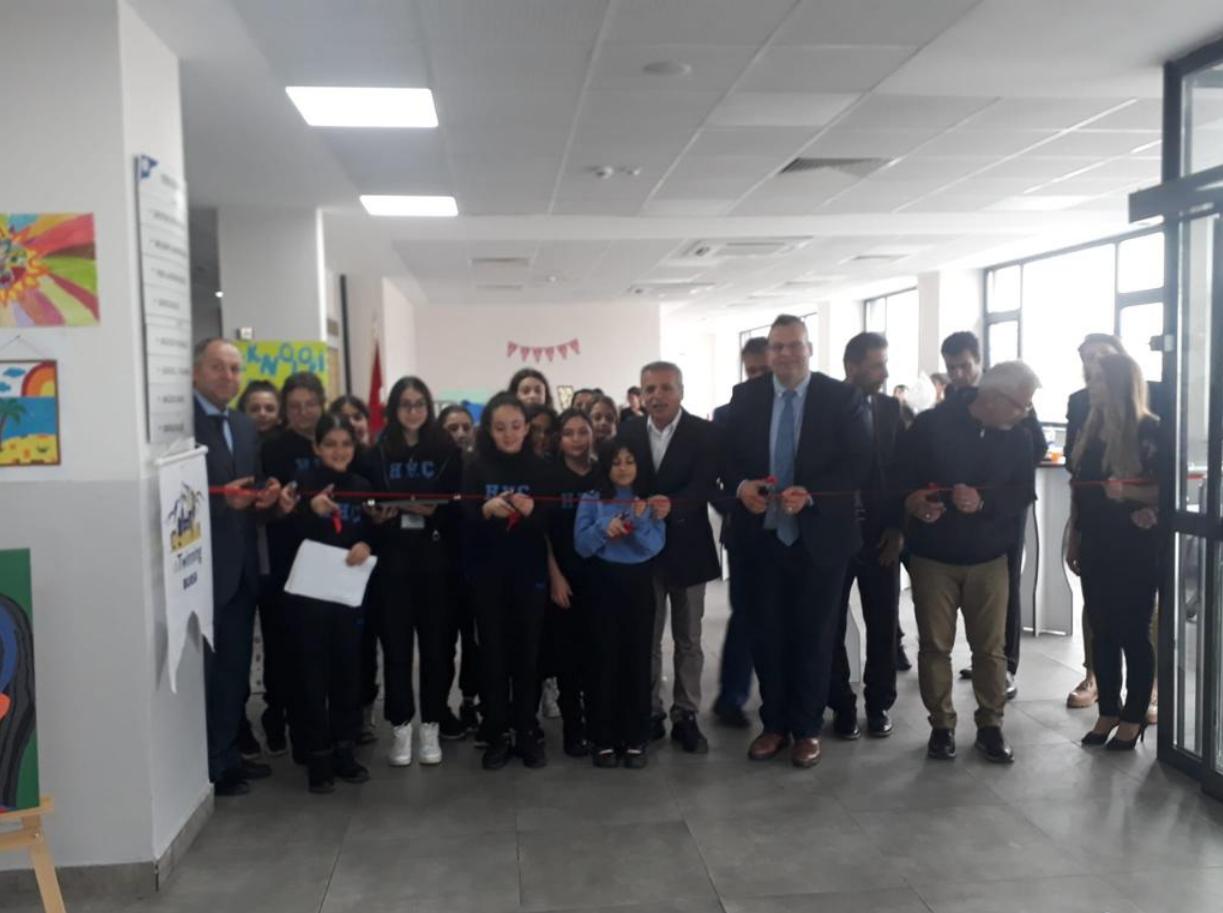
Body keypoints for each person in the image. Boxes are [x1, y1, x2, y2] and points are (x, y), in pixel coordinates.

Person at [723, 315, 871, 768]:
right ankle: (774, 725)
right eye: (777, 346)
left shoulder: (840, 398)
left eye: (793, 345)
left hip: (819, 539)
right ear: (768, 353)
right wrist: (742, 486)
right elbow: (725, 460)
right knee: (766, 636)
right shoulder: (745, 397)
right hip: (761, 539)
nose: (785, 354)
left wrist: (813, 495)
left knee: (815, 636)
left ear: (809, 349)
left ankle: (807, 729)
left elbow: (859, 464)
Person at [898, 361, 1040, 764]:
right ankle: (941, 727)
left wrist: (984, 502)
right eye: (1021, 405)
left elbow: (1023, 493)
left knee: (991, 649)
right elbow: (898, 477)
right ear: (992, 398)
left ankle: (991, 725)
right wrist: (913, 502)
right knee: (934, 646)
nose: (1025, 413)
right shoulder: (931, 425)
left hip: (990, 557)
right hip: (932, 556)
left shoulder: (1019, 437)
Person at [193, 339, 281, 796]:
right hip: (202, 570)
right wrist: (222, 502)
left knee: (234, 670)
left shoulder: (244, 426)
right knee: (208, 675)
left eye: (234, 368)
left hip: (243, 566)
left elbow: (253, 483)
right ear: (196, 372)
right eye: (217, 367)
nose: (228, 376)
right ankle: (209, 764)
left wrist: (268, 497)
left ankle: (228, 757)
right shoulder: (179, 424)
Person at [941, 331, 1047, 699]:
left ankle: (1005, 665)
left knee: (1004, 585)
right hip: (962, 513)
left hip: (1004, 511)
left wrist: (998, 479)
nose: (958, 374)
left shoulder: (1011, 395)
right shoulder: (953, 401)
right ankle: (984, 658)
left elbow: (1036, 447)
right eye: (951, 368)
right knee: (972, 591)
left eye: (964, 366)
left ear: (979, 362)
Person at [366, 377, 465, 767]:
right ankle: (401, 726)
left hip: (435, 563)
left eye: (419, 404)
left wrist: (430, 509)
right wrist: (379, 513)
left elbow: (456, 504)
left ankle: (432, 726)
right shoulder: (377, 450)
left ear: (429, 407)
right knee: (396, 650)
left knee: (437, 650)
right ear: (394, 408)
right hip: (392, 562)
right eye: (405, 404)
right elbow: (368, 499)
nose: (412, 411)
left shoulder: (446, 450)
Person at [275, 414, 377, 793]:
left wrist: (366, 544)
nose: (339, 451)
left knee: (347, 673)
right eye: (330, 444)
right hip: (308, 598)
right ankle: (317, 755)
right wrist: (307, 512)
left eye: (346, 444)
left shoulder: (362, 486)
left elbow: (372, 531)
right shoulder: (301, 485)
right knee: (311, 677)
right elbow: (284, 536)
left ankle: (345, 750)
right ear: (316, 447)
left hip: (347, 596)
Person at [1064, 334, 1163, 719]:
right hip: (1095, 541)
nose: (1092, 385)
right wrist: (1075, 538)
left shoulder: (1150, 429)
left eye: (1100, 379)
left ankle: (1134, 715)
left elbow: (1168, 491)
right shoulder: (1089, 431)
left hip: (1134, 545)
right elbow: (1078, 488)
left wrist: (1132, 495)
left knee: (1134, 632)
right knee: (1101, 630)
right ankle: (1108, 711)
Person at [620, 361, 714, 753]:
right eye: (649, 389)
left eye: (665, 388)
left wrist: (674, 505)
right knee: (647, 635)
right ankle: (650, 711)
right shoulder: (628, 432)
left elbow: (707, 483)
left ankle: (686, 714)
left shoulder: (703, 432)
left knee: (688, 637)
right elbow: (619, 481)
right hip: (642, 549)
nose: (657, 396)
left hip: (689, 547)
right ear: (641, 394)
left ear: (681, 391)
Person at [462, 392, 552, 769]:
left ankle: (526, 730)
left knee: (528, 656)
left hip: (529, 574)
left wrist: (533, 511)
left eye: (516, 426)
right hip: (487, 575)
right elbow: (462, 519)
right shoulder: (475, 466)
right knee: (493, 655)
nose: (509, 434)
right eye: (500, 428)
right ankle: (497, 731)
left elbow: (553, 523)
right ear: (489, 430)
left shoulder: (541, 467)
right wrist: (484, 510)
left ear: (527, 428)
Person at [828, 333, 904, 740]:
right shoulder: (824, 407)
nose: (884, 373)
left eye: (884, 363)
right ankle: (841, 704)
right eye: (877, 365)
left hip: (881, 535)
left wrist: (898, 528)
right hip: (834, 535)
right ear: (851, 366)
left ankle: (879, 704)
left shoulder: (891, 409)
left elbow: (902, 471)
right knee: (830, 623)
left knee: (883, 622)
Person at [575, 438, 667, 769]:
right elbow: (581, 545)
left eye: (630, 461)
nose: (623, 468)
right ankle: (602, 738)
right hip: (602, 585)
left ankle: (636, 737)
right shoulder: (592, 498)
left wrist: (639, 521)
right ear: (606, 466)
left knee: (637, 659)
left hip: (638, 586)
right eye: (616, 462)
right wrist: (604, 528)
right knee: (603, 659)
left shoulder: (649, 501)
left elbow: (654, 546)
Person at [259, 371, 326, 759]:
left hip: (329, 557)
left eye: (310, 404)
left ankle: (317, 729)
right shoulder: (273, 449)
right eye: (296, 406)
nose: (304, 412)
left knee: (318, 650)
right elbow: (264, 507)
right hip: (285, 558)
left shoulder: (334, 440)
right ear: (286, 410)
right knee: (283, 648)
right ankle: (279, 718)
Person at [710, 335, 769, 728]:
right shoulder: (726, 415)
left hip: (795, 530)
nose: (758, 378)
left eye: (764, 371)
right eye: (752, 371)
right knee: (746, 614)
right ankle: (732, 697)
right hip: (745, 533)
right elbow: (713, 478)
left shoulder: (802, 413)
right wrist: (736, 504)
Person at [545, 409, 598, 756]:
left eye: (583, 431)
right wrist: (555, 576)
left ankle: (597, 723)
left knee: (596, 654)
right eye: (569, 433)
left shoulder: (603, 474)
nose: (577, 439)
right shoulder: (549, 476)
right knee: (567, 658)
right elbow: (543, 534)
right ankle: (573, 728)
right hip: (563, 576)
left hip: (599, 577)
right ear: (559, 439)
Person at [235, 378, 282, 759]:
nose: (263, 414)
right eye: (255, 408)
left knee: (279, 646)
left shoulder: (284, 449)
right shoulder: (235, 448)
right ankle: (238, 725)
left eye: (269, 408)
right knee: (237, 649)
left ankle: (276, 715)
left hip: (278, 560)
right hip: (241, 558)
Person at [438, 403, 480, 730]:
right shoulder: (435, 470)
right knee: (442, 643)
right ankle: (439, 710)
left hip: (477, 568)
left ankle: (470, 700)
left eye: (466, 427)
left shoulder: (480, 467)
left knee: (475, 642)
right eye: (453, 428)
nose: (461, 434)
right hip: (440, 569)